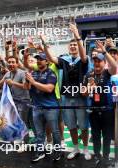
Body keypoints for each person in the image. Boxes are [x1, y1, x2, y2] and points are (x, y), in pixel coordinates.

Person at [42, 24, 91, 160]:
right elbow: (51, 58)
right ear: (68, 47)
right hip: (67, 98)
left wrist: (77, 36)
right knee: (71, 125)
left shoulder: (83, 60)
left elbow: (83, 56)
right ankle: (75, 148)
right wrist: (44, 42)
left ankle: (85, 149)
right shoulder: (64, 60)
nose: (73, 46)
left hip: (81, 98)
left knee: (83, 126)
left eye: (75, 45)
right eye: (71, 45)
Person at [82, 40, 117, 164]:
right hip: (93, 110)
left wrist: (104, 51)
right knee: (96, 135)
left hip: (107, 110)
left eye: (99, 61)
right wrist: (89, 88)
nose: (97, 63)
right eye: (95, 61)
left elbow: (115, 66)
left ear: (104, 62)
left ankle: (106, 157)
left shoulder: (108, 73)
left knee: (107, 136)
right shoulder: (88, 75)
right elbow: (83, 92)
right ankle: (97, 155)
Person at [24, 52, 62, 162]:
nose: (39, 60)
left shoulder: (51, 73)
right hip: (37, 107)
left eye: (42, 59)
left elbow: (49, 88)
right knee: (39, 133)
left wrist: (33, 82)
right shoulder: (33, 73)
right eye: (38, 59)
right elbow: (27, 87)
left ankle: (58, 152)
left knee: (55, 131)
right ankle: (40, 152)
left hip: (51, 107)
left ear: (47, 61)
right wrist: (27, 81)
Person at [0, 56, 31, 151]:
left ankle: (25, 144)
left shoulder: (22, 73)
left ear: (17, 63)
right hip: (12, 102)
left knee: (23, 123)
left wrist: (13, 83)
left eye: (13, 62)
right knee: (14, 122)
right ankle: (18, 141)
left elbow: (27, 87)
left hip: (23, 101)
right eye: (9, 62)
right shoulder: (7, 73)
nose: (11, 64)